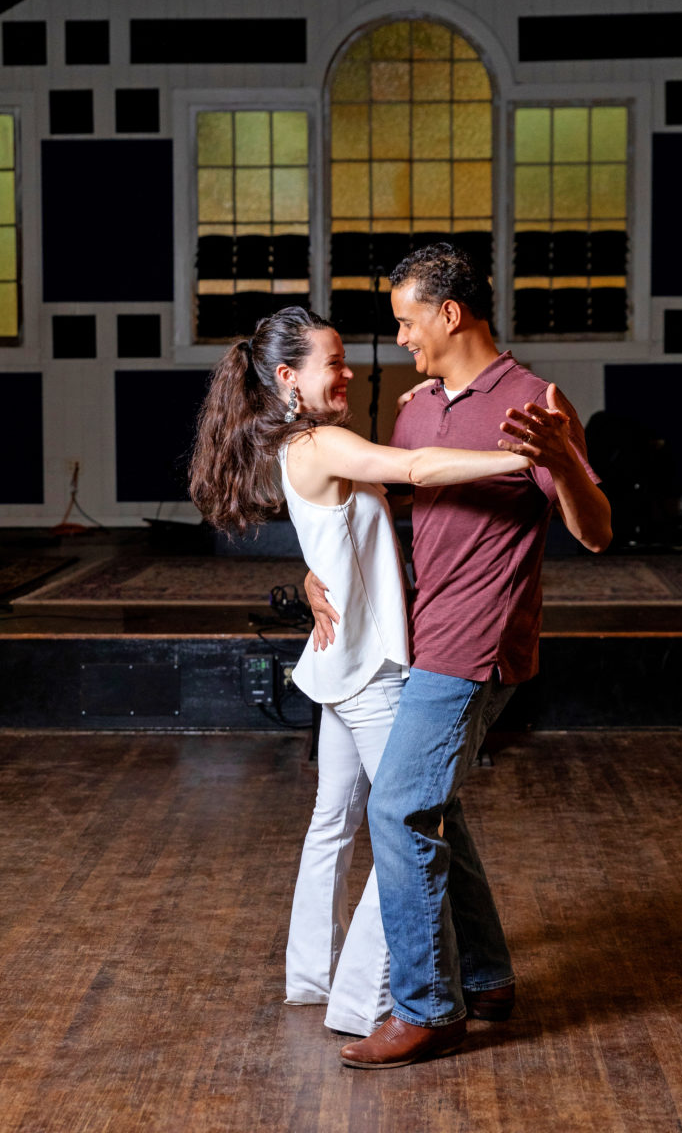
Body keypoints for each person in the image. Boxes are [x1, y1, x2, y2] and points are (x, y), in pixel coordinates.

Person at [188, 306, 532, 1039]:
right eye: (333, 365)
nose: (348, 374)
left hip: (338, 664)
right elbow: (411, 468)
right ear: (288, 378)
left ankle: (315, 979)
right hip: (372, 673)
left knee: (335, 823)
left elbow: (353, 518)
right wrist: (525, 459)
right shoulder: (323, 442)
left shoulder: (294, 443)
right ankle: (362, 1001)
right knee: (408, 828)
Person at [306, 244, 612, 1068]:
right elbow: (364, 506)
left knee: (399, 807)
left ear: (450, 314)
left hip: (478, 643)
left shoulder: (536, 401)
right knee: (435, 805)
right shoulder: (417, 408)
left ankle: (429, 1009)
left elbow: (595, 531)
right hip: (422, 635)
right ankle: (487, 977)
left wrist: (558, 461)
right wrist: (312, 570)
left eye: (407, 321)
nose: (400, 337)